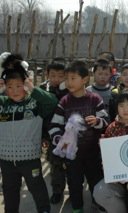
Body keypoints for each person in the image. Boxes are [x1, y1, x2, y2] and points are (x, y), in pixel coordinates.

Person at [49, 61, 109, 213]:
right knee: (74, 182)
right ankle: (77, 208)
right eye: (67, 78)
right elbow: (54, 125)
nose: (69, 82)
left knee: (95, 181)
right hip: (72, 154)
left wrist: (96, 121)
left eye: (73, 78)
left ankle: (98, 205)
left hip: (93, 152)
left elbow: (106, 121)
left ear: (85, 79)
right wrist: (60, 140)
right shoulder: (64, 102)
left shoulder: (95, 99)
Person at [0, 61, 58, 213]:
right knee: (9, 190)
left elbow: (52, 102)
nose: (14, 90)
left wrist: (33, 89)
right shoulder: (3, 104)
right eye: (10, 86)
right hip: (6, 160)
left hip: (30, 158)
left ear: (25, 85)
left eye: (19, 86)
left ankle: (44, 210)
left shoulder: (34, 104)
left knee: (37, 187)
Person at [39, 60, 68, 204]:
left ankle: (75, 190)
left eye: (61, 76)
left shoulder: (70, 90)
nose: (56, 79)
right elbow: (39, 115)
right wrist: (43, 136)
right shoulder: (42, 90)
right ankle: (57, 191)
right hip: (51, 136)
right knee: (55, 165)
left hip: (70, 136)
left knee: (73, 165)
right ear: (47, 74)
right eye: (53, 75)